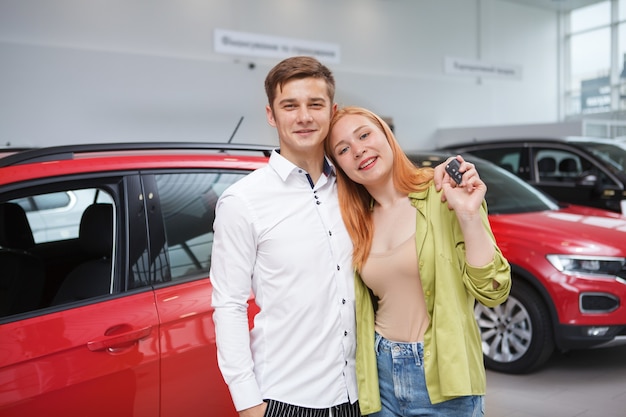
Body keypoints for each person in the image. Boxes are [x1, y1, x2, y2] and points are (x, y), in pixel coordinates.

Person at [325, 106, 511, 417]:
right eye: (343, 149)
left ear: (387, 135)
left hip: (443, 376)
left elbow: (494, 290)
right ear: (339, 166)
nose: (358, 150)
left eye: (364, 135)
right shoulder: (354, 220)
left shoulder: (443, 192)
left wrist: (467, 215)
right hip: (378, 376)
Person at [210, 56, 361, 417]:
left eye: (315, 104)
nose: (304, 116)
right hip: (286, 399)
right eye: (289, 105)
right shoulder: (242, 201)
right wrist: (248, 403)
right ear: (271, 115)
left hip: (360, 394)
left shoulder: (355, 189)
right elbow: (228, 304)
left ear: (332, 110)